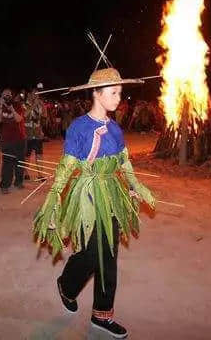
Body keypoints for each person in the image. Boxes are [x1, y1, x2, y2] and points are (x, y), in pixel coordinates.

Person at [33, 67, 155, 339]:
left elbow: (124, 162)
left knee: (107, 254)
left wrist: (135, 187)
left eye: (120, 92)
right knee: (92, 253)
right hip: (87, 196)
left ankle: (101, 312)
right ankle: (67, 284)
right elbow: (66, 169)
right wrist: (53, 201)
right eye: (113, 92)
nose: (118, 97)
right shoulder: (79, 127)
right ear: (97, 94)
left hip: (112, 195)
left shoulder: (115, 128)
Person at [0, 88, 25, 193]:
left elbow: (18, 119)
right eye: (4, 95)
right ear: (1, 96)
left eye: (8, 94)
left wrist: (11, 108)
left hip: (19, 138)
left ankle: (19, 182)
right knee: (7, 163)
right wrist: (0, 105)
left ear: (12, 96)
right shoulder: (0, 106)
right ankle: (5, 185)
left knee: (19, 162)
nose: (7, 96)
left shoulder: (17, 105)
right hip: (7, 139)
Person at [24, 87, 45, 180]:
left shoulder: (41, 104)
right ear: (30, 94)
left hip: (37, 133)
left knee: (39, 154)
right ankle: (25, 173)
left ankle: (40, 174)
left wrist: (42, 130)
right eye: (33, 94)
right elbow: (24, 115)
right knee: (27, 154)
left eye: (37, 94)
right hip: (27, 133)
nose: (35, 95)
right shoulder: (25, 104)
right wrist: (33, 105)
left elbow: (44, 117)